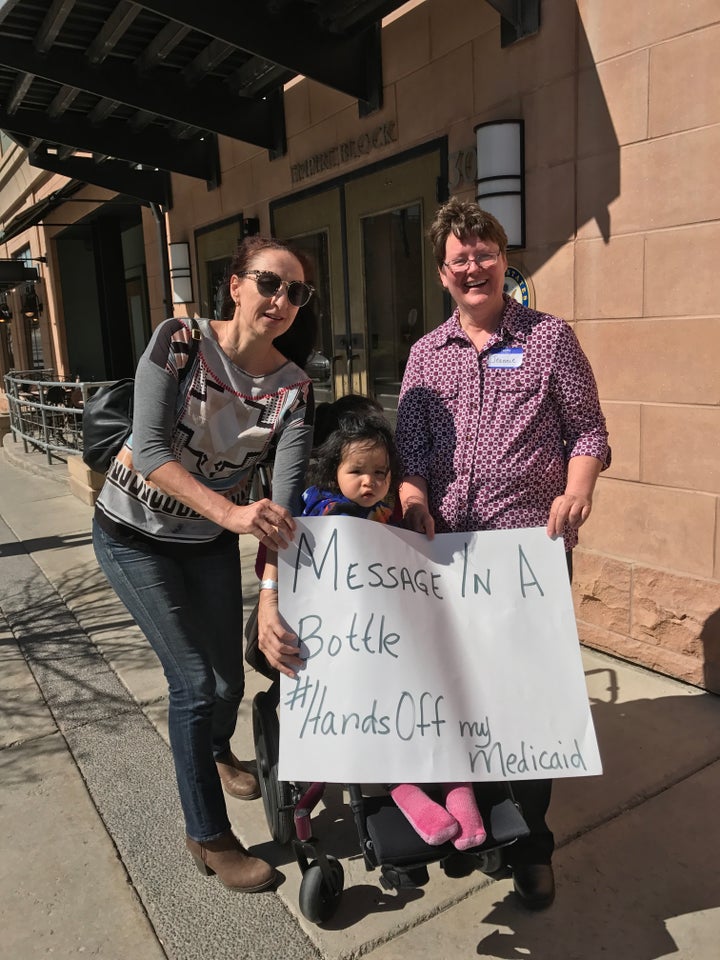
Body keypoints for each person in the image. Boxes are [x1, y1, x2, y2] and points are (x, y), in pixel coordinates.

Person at [395, 197, 611, 909]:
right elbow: (412, 456)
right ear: (442, 273)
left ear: (504, 258)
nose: (472, 265)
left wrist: (577, 492)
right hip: (450, 558)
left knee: (528, 705)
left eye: (483, 251)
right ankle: (481, 820)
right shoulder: (426, 357)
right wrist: (414, 500)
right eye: (458, 258)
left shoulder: (548, 338)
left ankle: (533, 846)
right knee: (464, 700)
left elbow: (587, 431)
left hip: (529, 557)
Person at [92, 236, 316, 893]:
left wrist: (271, 599)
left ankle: (215, 750)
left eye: (295, 292)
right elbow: (152, 446)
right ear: (236, 285)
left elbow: (284, 506)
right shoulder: (180, 340)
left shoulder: (293, 391)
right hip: (132, 536)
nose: (280, 299)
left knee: (227, 684)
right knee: (192, 683)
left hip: (207, 544)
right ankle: (208, 836)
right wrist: (231, 514)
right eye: (269, 283)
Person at [302, 412, 487, 852]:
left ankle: (458, 786)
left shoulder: (390, 512)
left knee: (443, 693)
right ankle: (406, 791)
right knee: (381, 712)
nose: (371, 482)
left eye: (381, 473)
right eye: (358, 472)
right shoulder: (321, 514)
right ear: (334, 473)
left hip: (402, 636)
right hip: (351, 645)